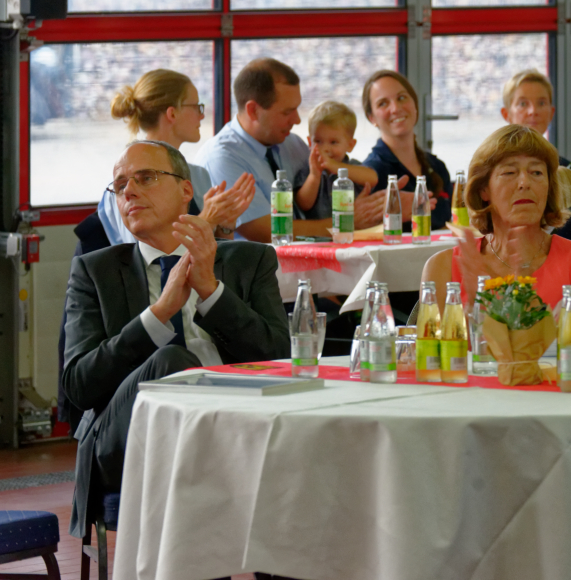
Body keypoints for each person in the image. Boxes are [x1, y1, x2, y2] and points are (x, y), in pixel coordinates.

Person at [62, 140, 288, 539]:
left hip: (238, 422)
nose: (129, 192)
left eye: (145, 178)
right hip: (125, 439)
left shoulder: (250, 261)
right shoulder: (95, 272)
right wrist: (158, 314)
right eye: (120, 185)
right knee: (173, 363)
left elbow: (278, 360)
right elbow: (79, 385)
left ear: (186, 189)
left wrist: (212, 292)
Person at [421, 125, 571, 354]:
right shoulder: (441, 268)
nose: (524, 183)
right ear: (483, 190)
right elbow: (430, 360)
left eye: (536, 173)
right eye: (510, 173)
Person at [196, 58, 389, 241]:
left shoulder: (293, 144)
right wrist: (347, 222)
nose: (297, 120)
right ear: (253, 110)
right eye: (287, 112)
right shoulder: (222, 157)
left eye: (297, 109)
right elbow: (265, 232)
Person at [100, 69, 255, 242]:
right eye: (196, 107)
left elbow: (219, 251)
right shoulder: (123, 188)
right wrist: (207, 220)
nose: (202, 115)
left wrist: (225, 226)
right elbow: (144, 252)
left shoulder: (198, 175)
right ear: (172, 113)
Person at [361, 70, 450, 230]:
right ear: (372, 118)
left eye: (401, 98)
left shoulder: (437, 167)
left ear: (415, 105)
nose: (395, 108)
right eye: (383, 103)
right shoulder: (371, 174)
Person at [294, 101, 377, 219]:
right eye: (318, 141)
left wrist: (335, 166)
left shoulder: (353, 167)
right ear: (310, 143)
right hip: (320, 230)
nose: (325, 149)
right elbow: (303, 204)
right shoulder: (308, 171)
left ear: (350, 145)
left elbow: (372, 178)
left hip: (352, 228)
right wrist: (314, 176)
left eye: (333, 142)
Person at [500, 69, 571, 175]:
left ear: (551, 113)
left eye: (541, 103)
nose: (533, 111)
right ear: (506, 114)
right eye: (523, 104)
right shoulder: (493, 165)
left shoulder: (567, 170)